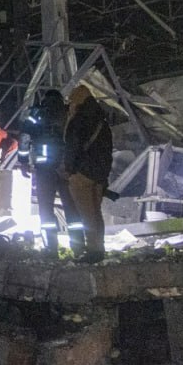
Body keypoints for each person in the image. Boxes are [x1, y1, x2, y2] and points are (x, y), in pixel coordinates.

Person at [19, 89, 79, 256]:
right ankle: (79, 247)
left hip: (44, 169)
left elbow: (24, 139)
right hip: (66, 168)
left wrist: (23, 162)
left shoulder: (36, 114)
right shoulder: (68, 113)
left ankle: (51, 249)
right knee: (72, 209)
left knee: (46, 210)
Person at [64, 85, 113, 263]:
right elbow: (108, 150)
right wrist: (104, 175)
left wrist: (69, 170)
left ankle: (93, 251)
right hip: (99, 175)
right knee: (96, 214)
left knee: (86, 215)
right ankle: (99, 248)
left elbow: (72, 147)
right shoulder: (102, 121)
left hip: (82, 173)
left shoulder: (78, 120)